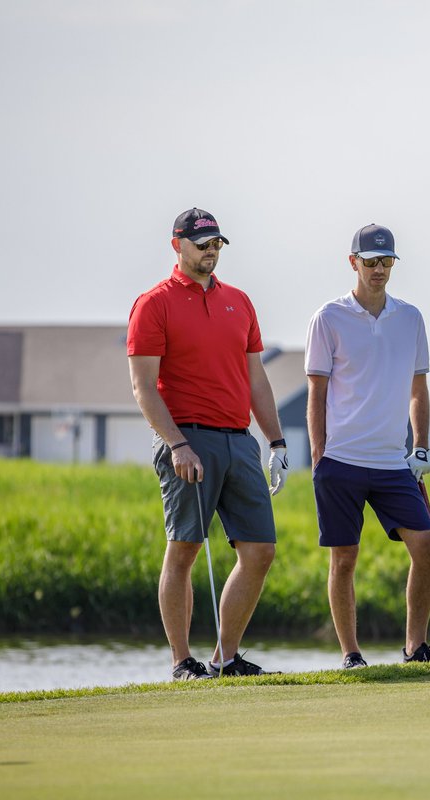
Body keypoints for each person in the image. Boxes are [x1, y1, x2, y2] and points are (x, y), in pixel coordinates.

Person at [128, 207, 289, 680]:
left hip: (240, 441)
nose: (210, 252)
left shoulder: (239, 301)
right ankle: (182, 662)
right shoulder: (153, 304)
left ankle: (225, 657)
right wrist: (177, 445)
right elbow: (143, 387)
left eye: (217, 244)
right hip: (188, 439)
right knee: (184, 550)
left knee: (260, 550)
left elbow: (255, 378)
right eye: (202, 244)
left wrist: (276, 441)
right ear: (177, 245)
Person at [305, 223, 430, 669]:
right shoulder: (328, 318)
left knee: (427, 545)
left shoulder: (409, 318)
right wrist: (318, 455)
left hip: (393, 463)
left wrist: (423, 446)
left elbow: (418, 388)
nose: (379, 270)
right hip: (340, 460)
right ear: (352, 262)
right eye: (370, 262)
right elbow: (316, 391)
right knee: (345, 559)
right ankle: (352, 655)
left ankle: (415, 647)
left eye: (386, 262)